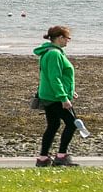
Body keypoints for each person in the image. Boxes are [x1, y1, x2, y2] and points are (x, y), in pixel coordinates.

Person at [33, 25, 78, 166]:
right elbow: (54, 77)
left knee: (53, 125)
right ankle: (61, 156)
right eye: (67, 38)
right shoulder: (54, 54)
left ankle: (43, 158)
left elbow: (54, 76)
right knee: (72, 123)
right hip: (54, 97)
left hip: (49, 95)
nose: (68, 41)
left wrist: (70, 91)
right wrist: (64, 97)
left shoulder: (49, 52)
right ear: (59, 38)